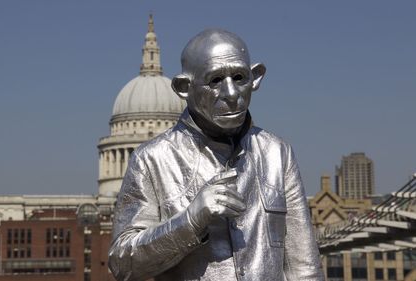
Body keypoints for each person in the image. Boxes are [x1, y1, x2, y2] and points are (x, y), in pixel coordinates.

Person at [108, 29, 324, 281]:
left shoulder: (278, 153)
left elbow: (304, 267)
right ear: (183, 88)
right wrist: (190, 221)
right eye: (215, 80)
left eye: (240, 77)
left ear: (256, 78)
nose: (232, 94)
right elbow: (122, 265)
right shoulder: (151, 159)